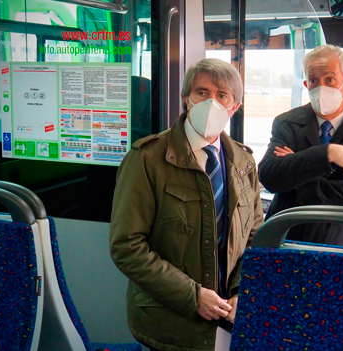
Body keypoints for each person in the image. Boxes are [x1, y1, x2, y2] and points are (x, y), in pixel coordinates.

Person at [109, 58, 263, 351]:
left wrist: (243, 291)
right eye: (202, 92)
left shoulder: (244, 162)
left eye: (222, 95)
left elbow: (255, 237)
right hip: (169, 324)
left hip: (229, 319)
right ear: (186, 100)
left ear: (235, 106)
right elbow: (126, 246)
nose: (211, 102)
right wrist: (192, 297)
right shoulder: (147, 159)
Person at [259, 44, 343, 248]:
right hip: (289, 240)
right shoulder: (287, 123)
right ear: (306, 84)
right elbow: (270, 176)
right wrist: (327, 153)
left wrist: (298, 180)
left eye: (330, 79)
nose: (321, 87)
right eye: (314, 80)